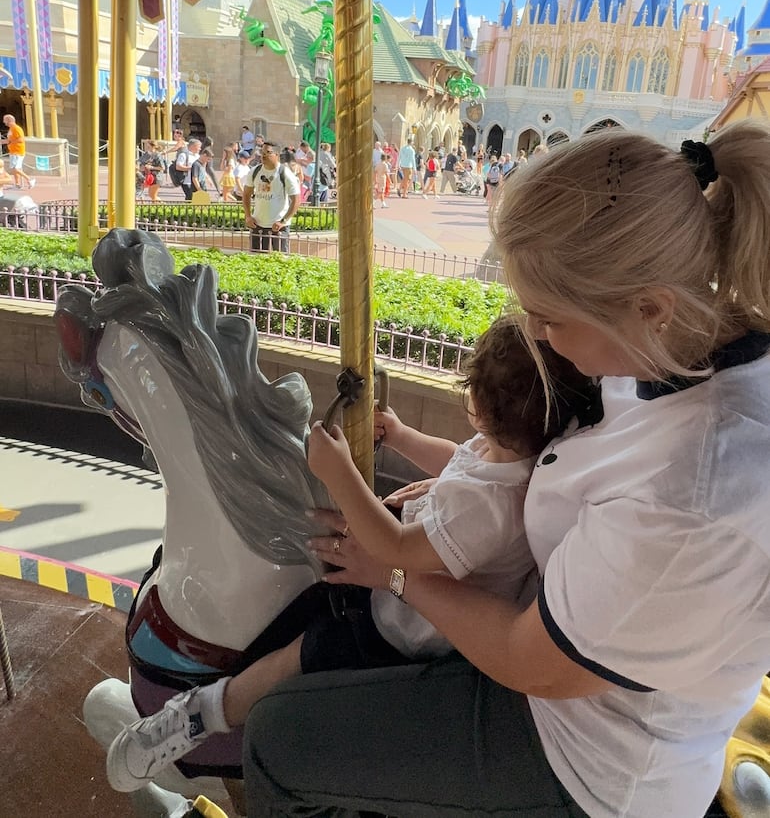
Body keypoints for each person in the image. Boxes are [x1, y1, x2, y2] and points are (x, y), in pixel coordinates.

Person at [231, 121, 770, 818]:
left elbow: (528, 662)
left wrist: (394, 570)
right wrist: (459, 482)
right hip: (556, 635)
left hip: (588, 759)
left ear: (649, 308)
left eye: (549, 318)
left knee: (279, 739)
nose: (538, 335)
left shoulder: (694, 490)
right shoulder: (670, 354)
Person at [104, 316, 594, 793]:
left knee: (301, 652)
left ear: (481, 407)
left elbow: (396, 549)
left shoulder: (492, 508)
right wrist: (401, 436)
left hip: (402, 628)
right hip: (395, 582)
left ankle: (200, 716)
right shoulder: (513, 455)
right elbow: (456, 459)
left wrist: (340, 473)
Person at [242, 140, 301, 253]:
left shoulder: (285, 174)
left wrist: (283, 221)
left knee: (280, 261)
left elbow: (296, 200)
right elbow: (246, 194)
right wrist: (248, 216)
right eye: (262, 152)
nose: (263, 156)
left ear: (277, 155)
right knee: (256, 259)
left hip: (278, 226)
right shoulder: (255, 171)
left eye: (268, 152)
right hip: (257, 225)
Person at [1, 114, 34, 189]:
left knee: (16, 168)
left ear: (9, 121)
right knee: (14, 169)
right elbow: (8, 141)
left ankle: (29, 179)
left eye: (5, 120)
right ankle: (17, 184)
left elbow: (21, 139)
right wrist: (3, 141)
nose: (3, 122)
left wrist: (10, 142)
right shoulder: (11, 129)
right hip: (13, 151)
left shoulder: (16, 128)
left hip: (18, 151)